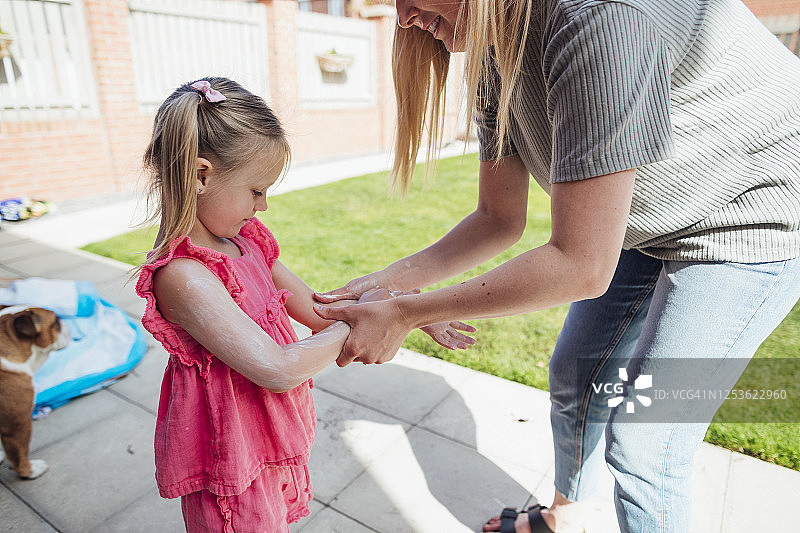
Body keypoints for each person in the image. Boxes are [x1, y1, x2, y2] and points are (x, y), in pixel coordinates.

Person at [311, 0, 800, 531]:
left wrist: (408, 313)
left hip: (755, 209)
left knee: (646, 443)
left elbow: (581, 264)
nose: (403, 15)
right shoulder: (494, 48)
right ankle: (566, 514)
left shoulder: (594, 19)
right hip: (648, 214)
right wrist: (387, 284)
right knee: (576, 372)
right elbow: (497, 219)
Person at [133, 77, 474, 532]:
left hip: (268, 438)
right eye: (256, 190)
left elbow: (320, 311)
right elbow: (277, 368)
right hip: (231, 460)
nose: (264, 206)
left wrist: (406, 307)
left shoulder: (248, 244)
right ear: (201, 176)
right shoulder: (184, 276)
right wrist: (377, 321)